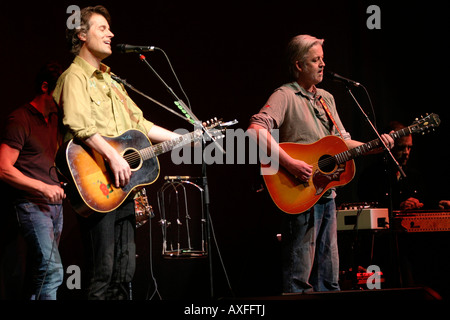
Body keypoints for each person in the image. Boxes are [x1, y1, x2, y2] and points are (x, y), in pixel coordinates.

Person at [247, 34, 394, 293]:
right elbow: (255, 131)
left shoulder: (327, 98)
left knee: (330, 276)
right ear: (298, 65)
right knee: (298, 277)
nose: (322, 64)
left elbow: (342, 142)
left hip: (326, 191)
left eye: (322, 59)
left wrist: (374, 147)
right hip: (299, 189)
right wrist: (291, 163)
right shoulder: (285, 95)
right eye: (315, 60)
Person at [53, 5, 180, 300]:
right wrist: (111, 156)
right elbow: (77, 124)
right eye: (102, 28)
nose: (111, 34)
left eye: (109, 29)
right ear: (81, 34)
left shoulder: (112, 82)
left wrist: (182, 138)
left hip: (122, 188)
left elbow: (141, 124)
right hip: (96, 182)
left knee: (124, 273)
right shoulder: (75, 77)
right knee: (103, 272)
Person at [0, 62, 65, 300]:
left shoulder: (56, 119)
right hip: (30, 204)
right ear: (46, 87)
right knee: (52, 271)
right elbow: (3, 168)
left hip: (55, 207)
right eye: (62, 91)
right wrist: (43, 187)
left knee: (42, 274)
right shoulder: (19, 119)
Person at [358, 121, 432, 211]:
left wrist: (438, 204)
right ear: (389, 145)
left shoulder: (414, 176)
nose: (406, 152)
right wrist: (399, 206)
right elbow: (370, 209)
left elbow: (424, 201)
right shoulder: (370, 175)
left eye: (409, 147)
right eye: (401, 147)